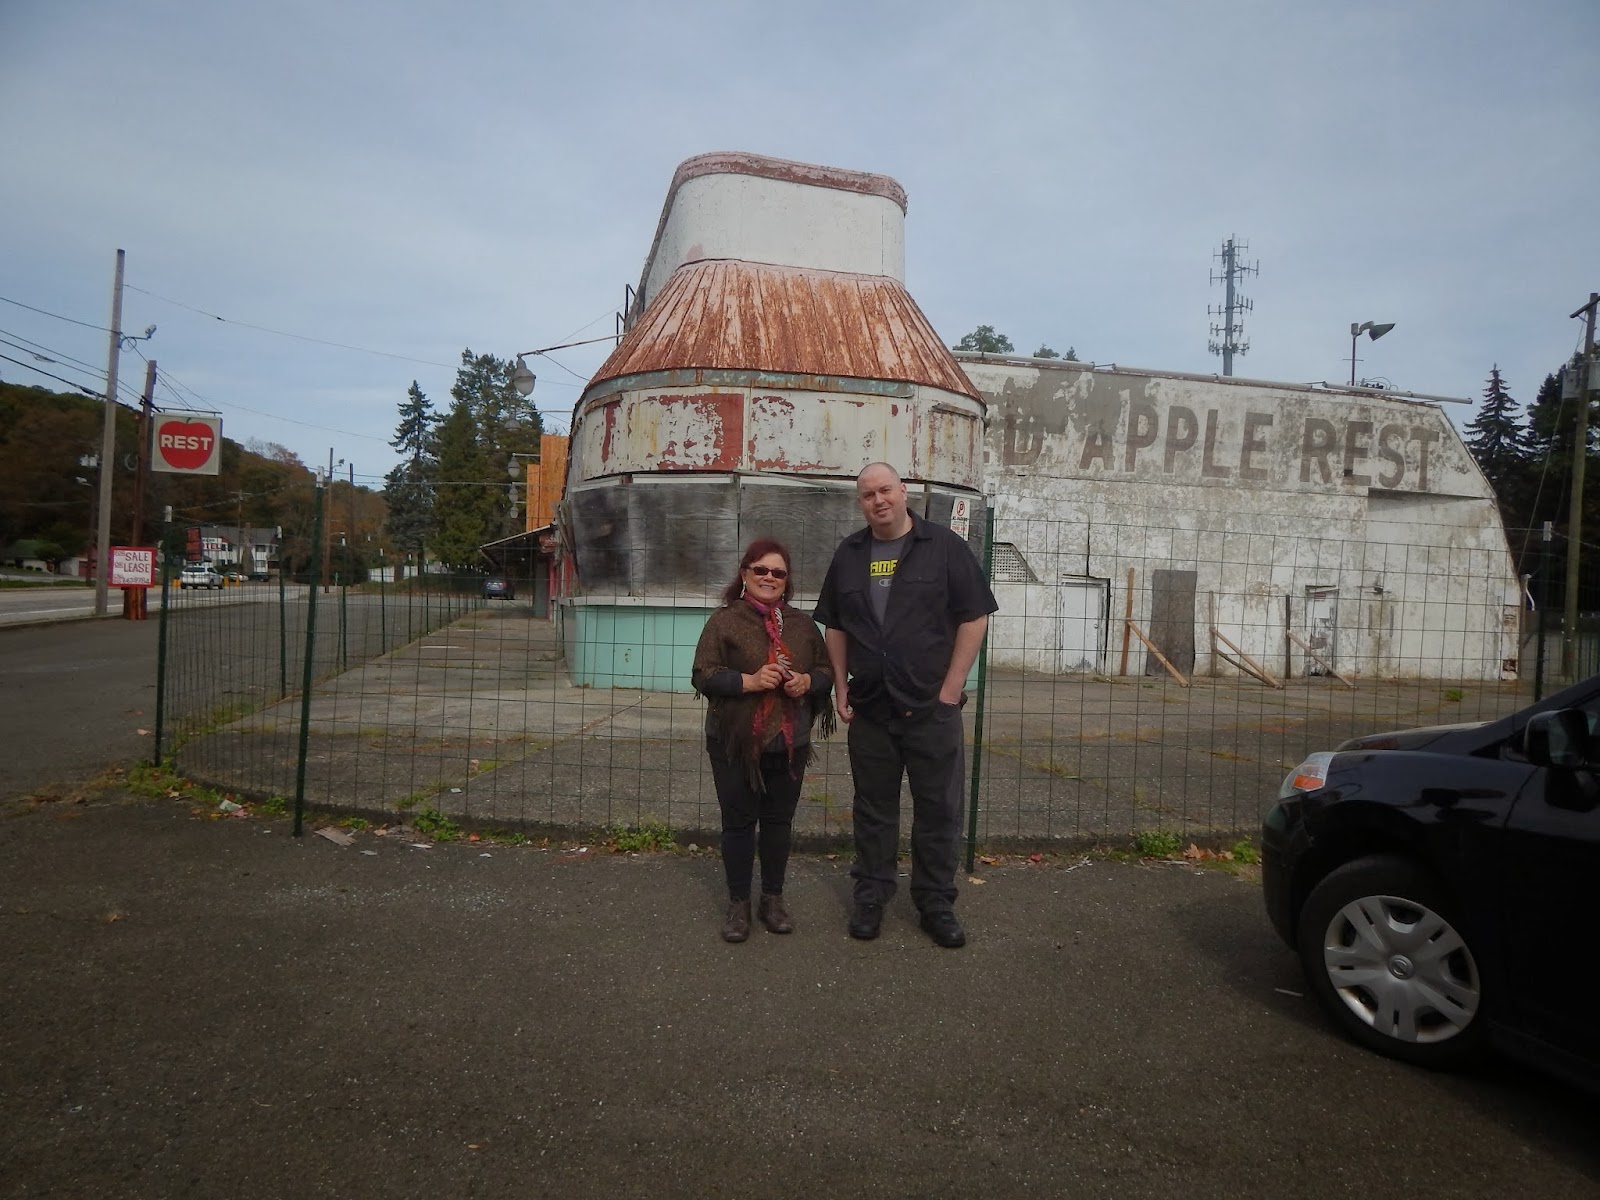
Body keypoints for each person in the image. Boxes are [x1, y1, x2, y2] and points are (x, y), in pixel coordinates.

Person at [814, 463, 998, 949]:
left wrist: (950, 689)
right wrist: (840, 686)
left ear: (903, 492)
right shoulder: (850, 555)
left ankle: (936, 903)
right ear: (861, 502)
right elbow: (834, 625)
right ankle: (871, 898)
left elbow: (974, 616)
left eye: (886, 490)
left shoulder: (943, 548)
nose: (879, 500)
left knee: (938, 811)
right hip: (873, 709)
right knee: (873, 811)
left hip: (930, 709)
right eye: (868, 494)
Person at [692, 538, 835, 943]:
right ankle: (739, 904)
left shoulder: (804, 626)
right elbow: (702, 675)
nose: (769, 578)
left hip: (790, 743)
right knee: (738, 824)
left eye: (778, 573)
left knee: (778, 823)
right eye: (761, 570)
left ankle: (772, 899)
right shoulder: (724, 621)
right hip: (734, 742)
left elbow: (825, 670)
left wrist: (808, 681)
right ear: (745, 574)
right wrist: (749, 681)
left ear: (786, 581)